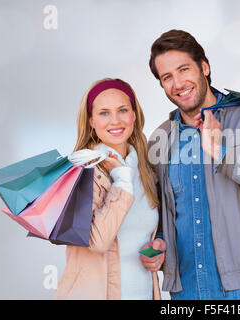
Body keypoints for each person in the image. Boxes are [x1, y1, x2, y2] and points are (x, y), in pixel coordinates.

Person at [143, 30, 240, 300]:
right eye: (167, 77)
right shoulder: (160, 138)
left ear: (204, 67)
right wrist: (158, 240)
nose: (178, 83)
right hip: (185, 292)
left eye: (184, 70)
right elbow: (160, 210)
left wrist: (221, 151)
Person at [54, 78, 164, 300]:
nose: (115, 120)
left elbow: (142, 234)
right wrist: (121, 179)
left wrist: (158, 247)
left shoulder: (146, 172)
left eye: (123, 110)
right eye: (104, 112)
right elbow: (98, 242)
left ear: (134, 116)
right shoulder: (81, 172)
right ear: (91, 121)